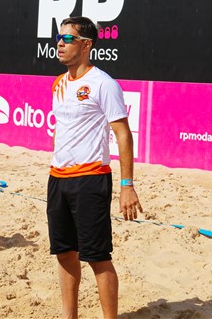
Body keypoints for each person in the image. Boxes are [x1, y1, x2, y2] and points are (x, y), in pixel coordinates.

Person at [47, 16, 142, 318]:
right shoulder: (59, 83)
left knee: (97, 257)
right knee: (64, 252)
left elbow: (123, 134)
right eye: (59, 37)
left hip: (90, 179)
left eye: (68, 38)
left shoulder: (103, 84)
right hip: (58, 178)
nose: (60, 43)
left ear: (86, 45)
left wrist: (127, 186)